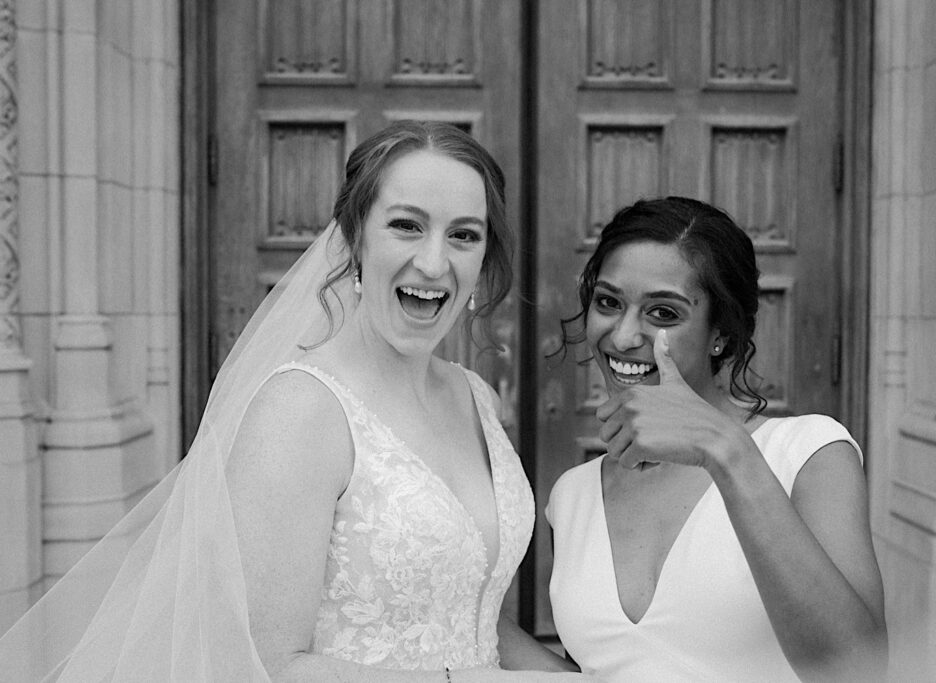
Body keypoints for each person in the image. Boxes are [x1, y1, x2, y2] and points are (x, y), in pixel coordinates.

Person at [0, 121, 590, 682]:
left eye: (464, 235)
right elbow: (269, 667)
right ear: (355, 236)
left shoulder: (476, 396)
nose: (434, 262)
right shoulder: (299, 411)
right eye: (406, 226)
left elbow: (475, 621)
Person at [545, 197, 888, 682]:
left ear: (720, 336)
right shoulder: (572, 496)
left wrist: (723, 449)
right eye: (608, 302)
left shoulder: (808, 454)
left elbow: (860, 671)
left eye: (663, 313)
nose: (622, 337)